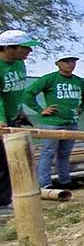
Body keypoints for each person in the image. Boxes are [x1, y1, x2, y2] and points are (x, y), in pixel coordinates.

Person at [24, 54, 84, 189]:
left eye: (73, 61)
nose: (70, 64)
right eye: (66, 61)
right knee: (48, 152)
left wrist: (82, 108)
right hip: (52, 123)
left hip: (71, 122)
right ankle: (44, 184)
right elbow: (28, 94)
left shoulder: (78, 81)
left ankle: (65, 181)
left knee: (64, 153)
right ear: (58, 63)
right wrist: (40, 109)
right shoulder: (50, 79)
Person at [0, 30, 41, 217]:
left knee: (12, 160)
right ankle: (2, 205)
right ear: (9, 48)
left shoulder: (19, 65)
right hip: (1, 119)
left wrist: (20, 111)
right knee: (1, 162)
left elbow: (15, 92)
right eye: (25, 48)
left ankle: (6, 201)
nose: (29, 52)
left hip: (11, 117)